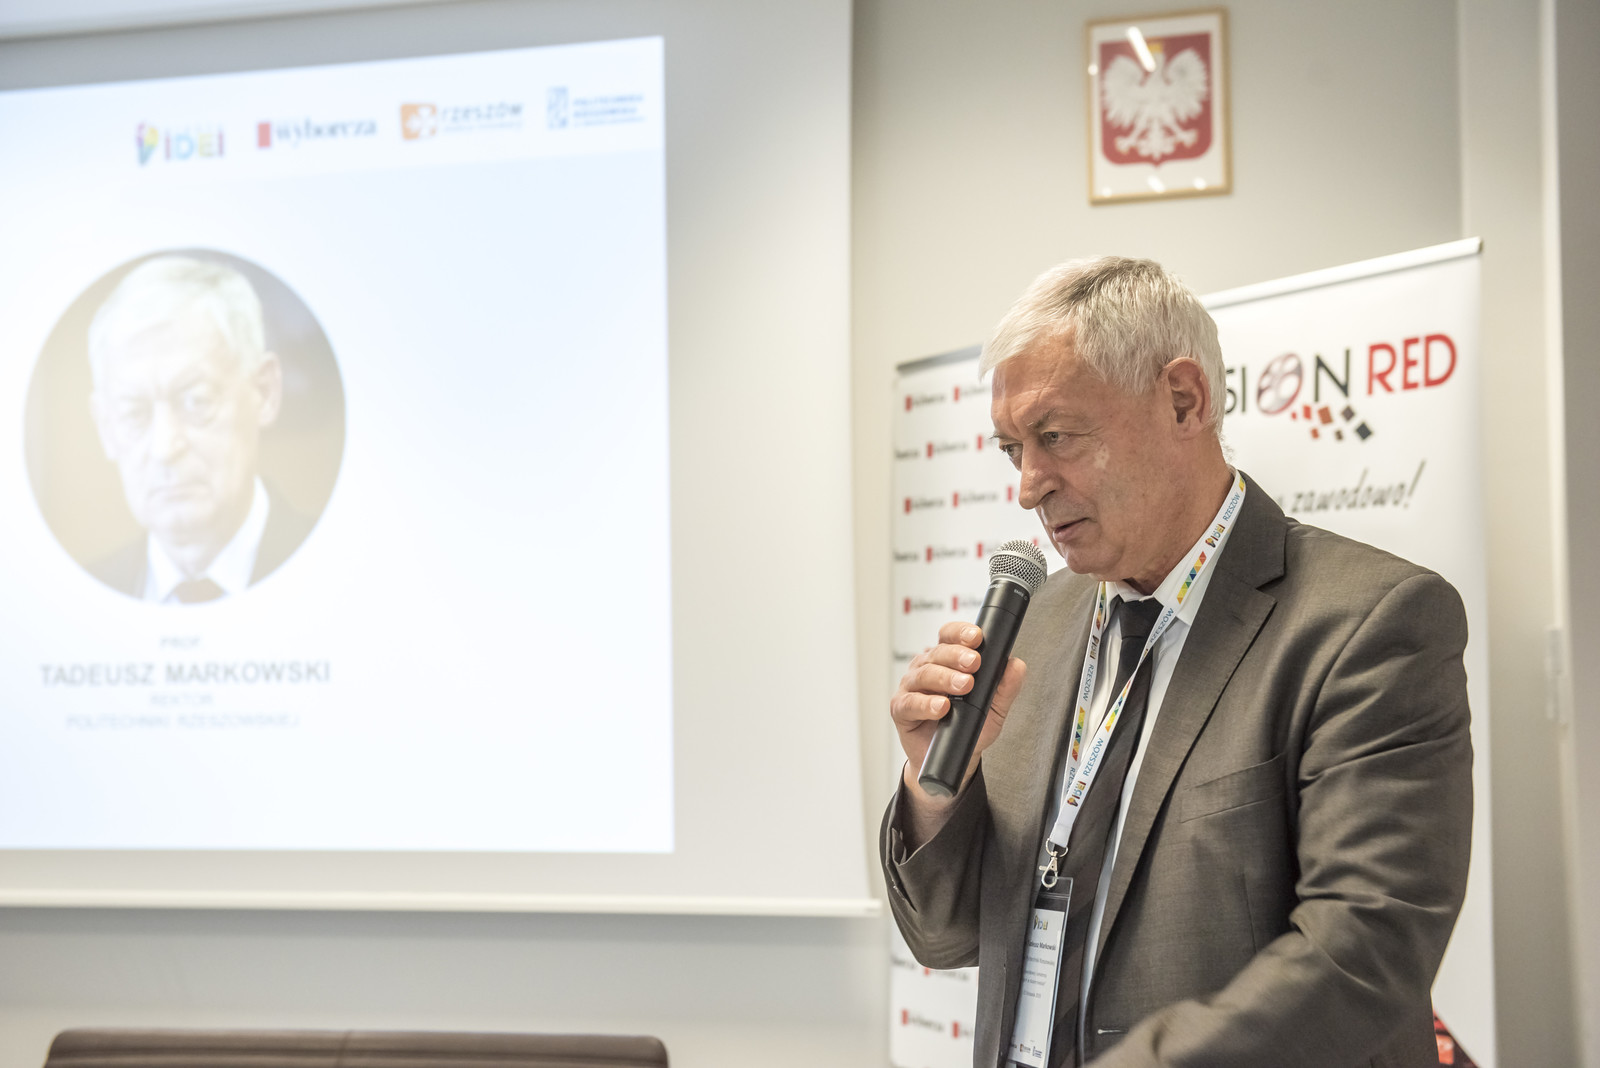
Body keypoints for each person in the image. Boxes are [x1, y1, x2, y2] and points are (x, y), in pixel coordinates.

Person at [882, 257, 1472, 1068]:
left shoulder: (1368, 624)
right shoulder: (1038, 623)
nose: (1027, 485)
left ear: (1184, 400)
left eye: (1055, 436)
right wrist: (935, 789)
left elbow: (1365, 955)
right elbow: (944, 937)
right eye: (1012, 448)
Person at [85, 255, 313, 603]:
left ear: (264, 392)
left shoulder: (345, 569)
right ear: (105, 427)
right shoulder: (73, 601)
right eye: (134, 413)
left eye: (196, 401)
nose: (165, 447)